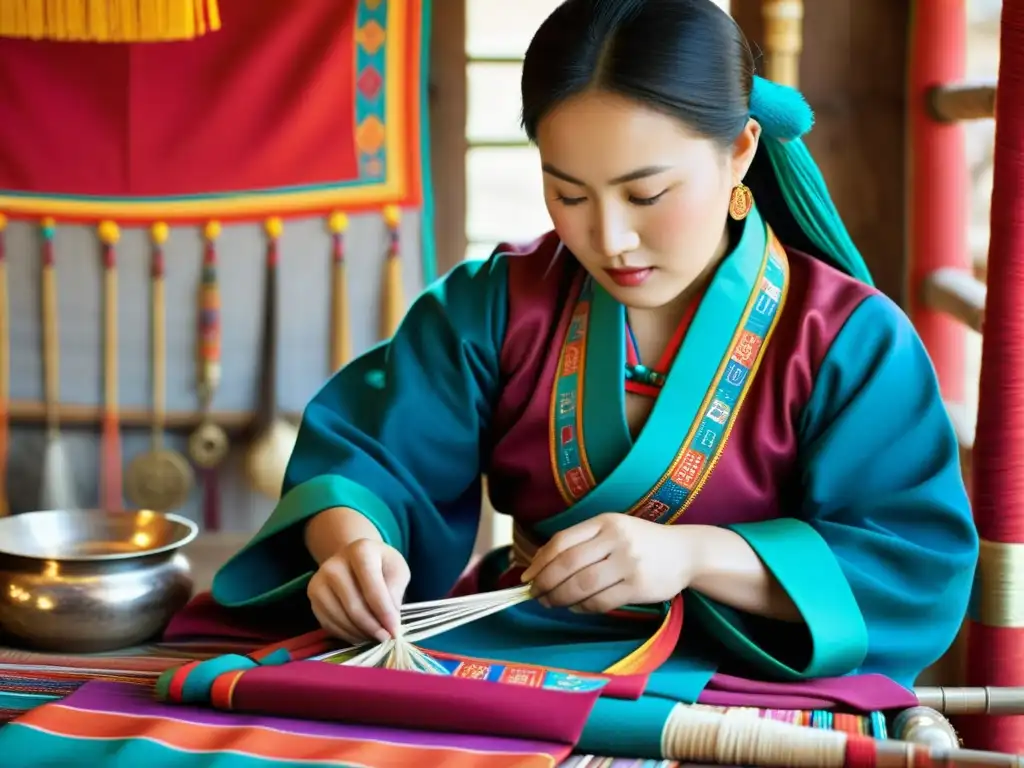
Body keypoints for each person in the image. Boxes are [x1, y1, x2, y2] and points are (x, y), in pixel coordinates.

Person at [210, 0, 978, 752]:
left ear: (740, 150)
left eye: (646, 193)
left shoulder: (844, 337)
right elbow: (372, 457)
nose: (609, 237)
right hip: (505, 666)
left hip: (746, 693)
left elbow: (909, 562)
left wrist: (692, 556)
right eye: (569, 193)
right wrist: (353, 546)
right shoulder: (497, 305)